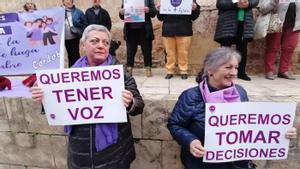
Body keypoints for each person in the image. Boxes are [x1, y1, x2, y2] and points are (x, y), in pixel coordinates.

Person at [31, 25, 144, 169]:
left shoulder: (120, 74)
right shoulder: (68, 76)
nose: (101, 46)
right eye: (95, 41)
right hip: (80, 154)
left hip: (114, 154)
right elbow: (59, 108)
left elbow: (139, 105)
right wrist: (44, 99)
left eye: (105, 42)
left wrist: (130, 102)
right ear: (83, 45)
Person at [167, 47, 298, 169]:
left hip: (238, 163)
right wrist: (190, 141)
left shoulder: (240, 92)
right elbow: (175, 124)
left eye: (236, 67)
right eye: (228, 67)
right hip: (202, 164)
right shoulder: (191, 96)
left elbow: (250, 124)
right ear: (210, 70)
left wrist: (280, 131)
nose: (234, 73)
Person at [214, 0, 259, 81]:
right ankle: (222, 71)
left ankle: (241, 72)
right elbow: (220, 4)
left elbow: (255, 1)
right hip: (228, 21)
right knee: (225, 48)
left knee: (242, 48)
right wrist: (236, 4)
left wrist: (248, 4)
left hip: (244, 21)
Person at [157, 0, 200, 80]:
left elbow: (194, 16)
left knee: (183, 52)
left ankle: (183, 71)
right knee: (169, 52)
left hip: (184, 29)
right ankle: (170, 71)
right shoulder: (165, 1)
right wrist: (159, 10)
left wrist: (195, 9)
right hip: (168, 30)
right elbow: (160, 18)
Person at [258, 0, 300, 80]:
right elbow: (262, 9)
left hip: (294, 25)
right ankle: (269, 71)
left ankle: (283, 71)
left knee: (289, 47)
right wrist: (274, 2)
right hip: (276, 22)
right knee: (273, 47)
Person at [119, 0, 157, 77]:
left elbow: (154, 12)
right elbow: (123, 15)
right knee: (130, 51)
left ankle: (148, 68)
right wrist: (121, 12)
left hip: (145, 29)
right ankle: (129, 69)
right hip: (130, 30)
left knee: (147, 50)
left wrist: (148, 10)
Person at [63, 0, 87, 67]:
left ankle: (79, 68)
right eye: (66, 0)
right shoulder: (60, 12)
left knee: (75, 53)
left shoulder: (78, 12)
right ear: (63, 2)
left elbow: (85, 23)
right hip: (65, 38)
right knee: (70, 54)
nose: (69, 1)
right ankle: (71, 69)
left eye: (70, 0)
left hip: (74, 37)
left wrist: (82, 33)